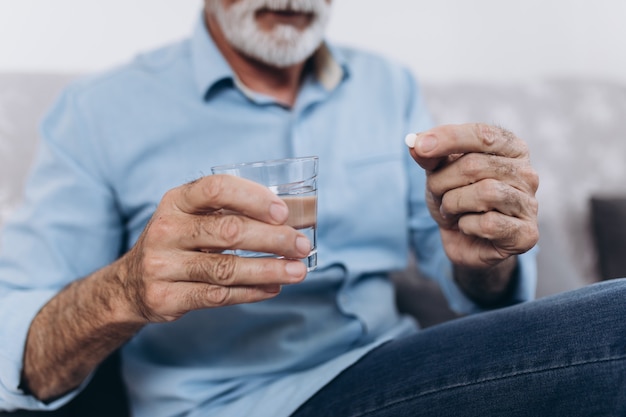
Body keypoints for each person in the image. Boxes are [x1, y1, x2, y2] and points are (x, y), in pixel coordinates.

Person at [0, 0, 624, 416]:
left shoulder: (388, 83)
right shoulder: (97, 111)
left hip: (397, 367)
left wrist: (486, 253)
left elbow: (470, 282)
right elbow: (22, 358)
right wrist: (125, 289)